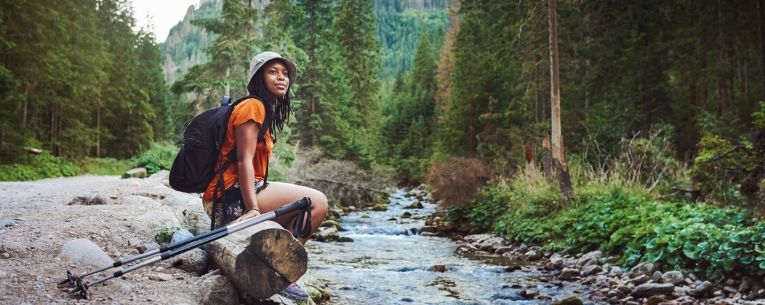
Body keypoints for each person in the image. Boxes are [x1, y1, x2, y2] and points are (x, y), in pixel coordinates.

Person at [202, 51, 329, 301]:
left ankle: (274, 270)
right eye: (273, 72)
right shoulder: (253, 106)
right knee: (318, 203)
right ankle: (282, 274)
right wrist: (252, 209)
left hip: (235, 194)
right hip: (231, 199)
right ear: (258, 78)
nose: (282, 78)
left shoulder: (261, 108)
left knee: (306, 204)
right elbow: (243, 160)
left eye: (285, 74)